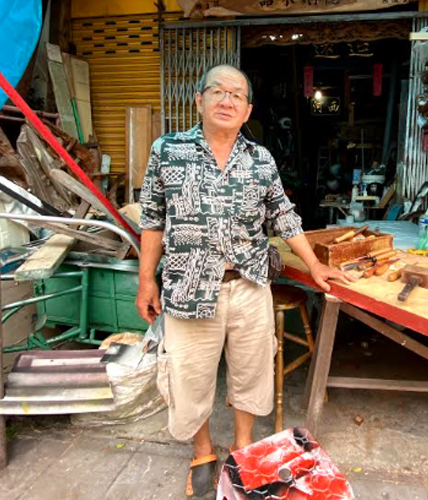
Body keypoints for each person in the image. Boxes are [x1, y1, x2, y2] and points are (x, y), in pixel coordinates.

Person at [136, 64, 354, 498]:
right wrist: (146, 280)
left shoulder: (260, 159)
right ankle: (202, 451)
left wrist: (314, 265)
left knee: (251, 372)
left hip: (250, 284)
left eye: (236, 94)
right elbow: (152, 219)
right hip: (188, 287)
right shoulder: (168, 150)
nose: (226, 100)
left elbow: (283, 216)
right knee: (190, 376)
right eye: (217, 91)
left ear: (248, 109)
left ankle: (242, 445)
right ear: (198, 100)